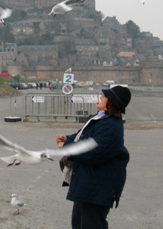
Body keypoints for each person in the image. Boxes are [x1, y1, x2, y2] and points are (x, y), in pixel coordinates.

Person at [55, 85, 131, 229]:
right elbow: (83, 137)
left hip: (97, 188)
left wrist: (67, 147)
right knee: (79, 224)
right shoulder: (101, 119)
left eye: (104, 96)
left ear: (111, 103)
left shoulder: (110, 126)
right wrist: (67, 138)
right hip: (88, 185)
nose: (100, 97)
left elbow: (93, 153)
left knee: (91, 225)